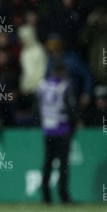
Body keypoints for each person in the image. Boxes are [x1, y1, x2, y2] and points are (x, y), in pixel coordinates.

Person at [36, 62, 75, 204]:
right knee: (63, 164)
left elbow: (38, 107)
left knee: (48, 162)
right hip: (62, 128)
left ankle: (46, 196)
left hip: (48, 129)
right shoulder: (64, 86)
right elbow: (71, 107)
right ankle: (63, 196)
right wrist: (73, 124)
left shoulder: (42, 86)